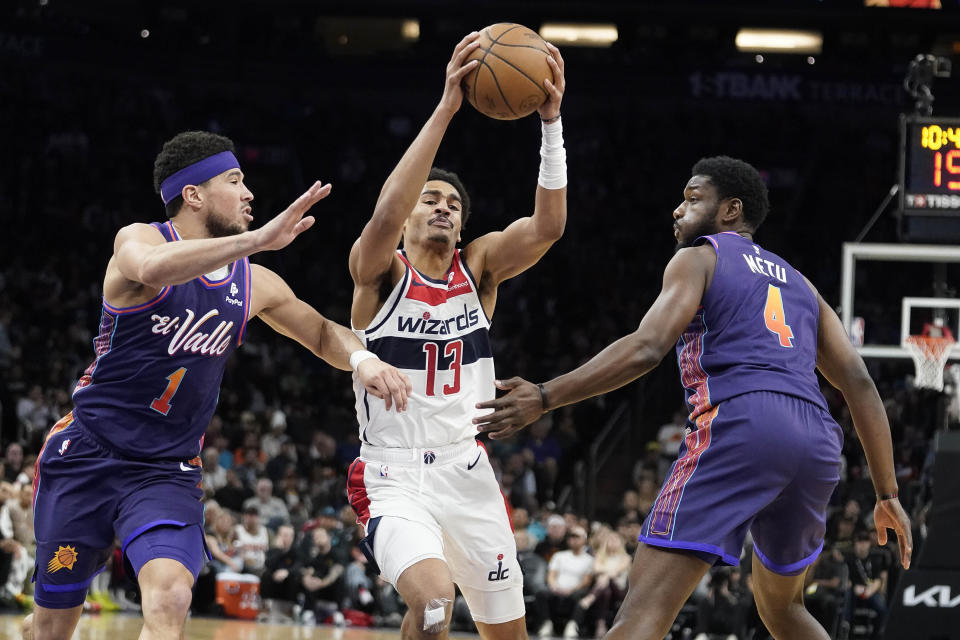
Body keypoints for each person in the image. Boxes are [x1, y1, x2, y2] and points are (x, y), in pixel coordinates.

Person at [475, 155, 913, 640]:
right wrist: (887, 493)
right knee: (783, 610)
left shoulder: (700, 257)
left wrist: (544, 395)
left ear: (731, 210)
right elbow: (860, 385)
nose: (677, 210)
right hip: (817, 443)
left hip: (743, 421)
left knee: (641, 616)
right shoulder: (803, 285)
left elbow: (645, 348)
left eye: (692, 198)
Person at [23, 130, 411, 640]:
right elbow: (153, 268)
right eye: (235, 179)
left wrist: (361, 358)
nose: (249, 192)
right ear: (193, 195)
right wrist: (256, 241)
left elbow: (319, 331)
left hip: (166, 469)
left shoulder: (252, 282)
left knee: (171, 596)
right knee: (52, 628)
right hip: (88, 456)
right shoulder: (137, 240)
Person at [345, 32, 567, 640]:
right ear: (409, 215)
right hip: (393, 477)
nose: (444, 209)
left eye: (453, 204)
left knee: (508, 635)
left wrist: (550, 124)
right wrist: (447, 106)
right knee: (436, 606)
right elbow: (385, 212)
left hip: (468, 471)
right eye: (431, 200)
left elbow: (548, 226)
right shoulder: (380, 270)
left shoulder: (480, 268)